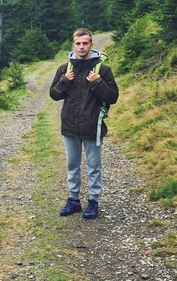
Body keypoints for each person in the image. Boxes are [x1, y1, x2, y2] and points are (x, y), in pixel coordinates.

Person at [49, 28, 119, 219]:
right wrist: (64, 81)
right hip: (70, 125)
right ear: (74, 45)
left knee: (94, 166)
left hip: (92, 126)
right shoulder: (65, 69)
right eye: (78, 43)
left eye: (85, 43)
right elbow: (54, 95)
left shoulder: (102, 70)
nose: (81, 47)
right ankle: (73, 201)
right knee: (72, 165)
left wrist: (97, 82)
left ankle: (93, 202)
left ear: (91, 45)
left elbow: (113, 97)